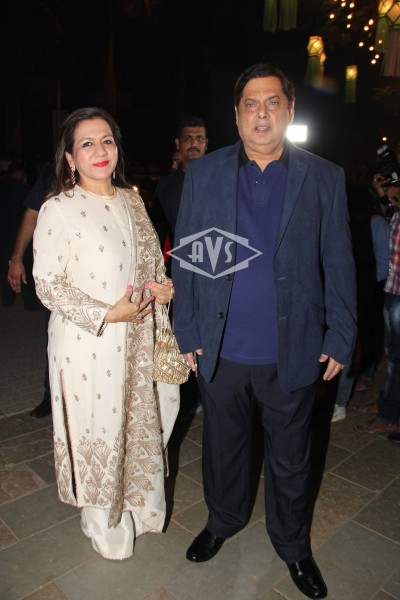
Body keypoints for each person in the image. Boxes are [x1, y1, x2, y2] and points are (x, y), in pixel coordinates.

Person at [172, 64, 357, 600]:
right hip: (221, 347)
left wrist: (340, 333)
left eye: (272, 101)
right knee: (222, 448)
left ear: (289, 110)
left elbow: (338, 260)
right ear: (236, 115)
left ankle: (293, 546)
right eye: (250, 103)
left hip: (293, 347)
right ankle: (223, 521)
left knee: (291, 458)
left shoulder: (323, 176)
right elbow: (188, 258)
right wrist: (187, 328)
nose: (261, 112)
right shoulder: (205, 173)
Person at [32, 107, 175, 560]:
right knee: (99, 428)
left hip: (136, 339)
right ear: (70, 157)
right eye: (87, 143)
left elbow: (150, 264)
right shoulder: (59, 208)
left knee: (140, 423)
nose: (99, 150)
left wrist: (161, 286)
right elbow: (47, 283)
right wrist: (106, 313)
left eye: (107, 140)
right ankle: (103, 523)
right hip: (86, 342)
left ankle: (140, 507)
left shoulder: (133, 201)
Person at [354, 158, 400, 435]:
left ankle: (388, 414)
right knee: (392, 352)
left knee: (396, 356)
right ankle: (385, 402)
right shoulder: (392, 207)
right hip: (392, 287)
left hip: (397, 290)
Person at [8, 162, 55, 417]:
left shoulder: (107, 171)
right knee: (55, 336)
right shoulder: (53, 172)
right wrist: (16, 258)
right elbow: (32, 213)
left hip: (97, 274)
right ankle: (51, 396)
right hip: (57, 272)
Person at [155, 116, 208, 241]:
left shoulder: (223, 182)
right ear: (178, 143)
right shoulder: (165, 187)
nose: (194, 143)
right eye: (188, 138)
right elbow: (158, 232)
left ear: (206, 143)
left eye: (199, 138)